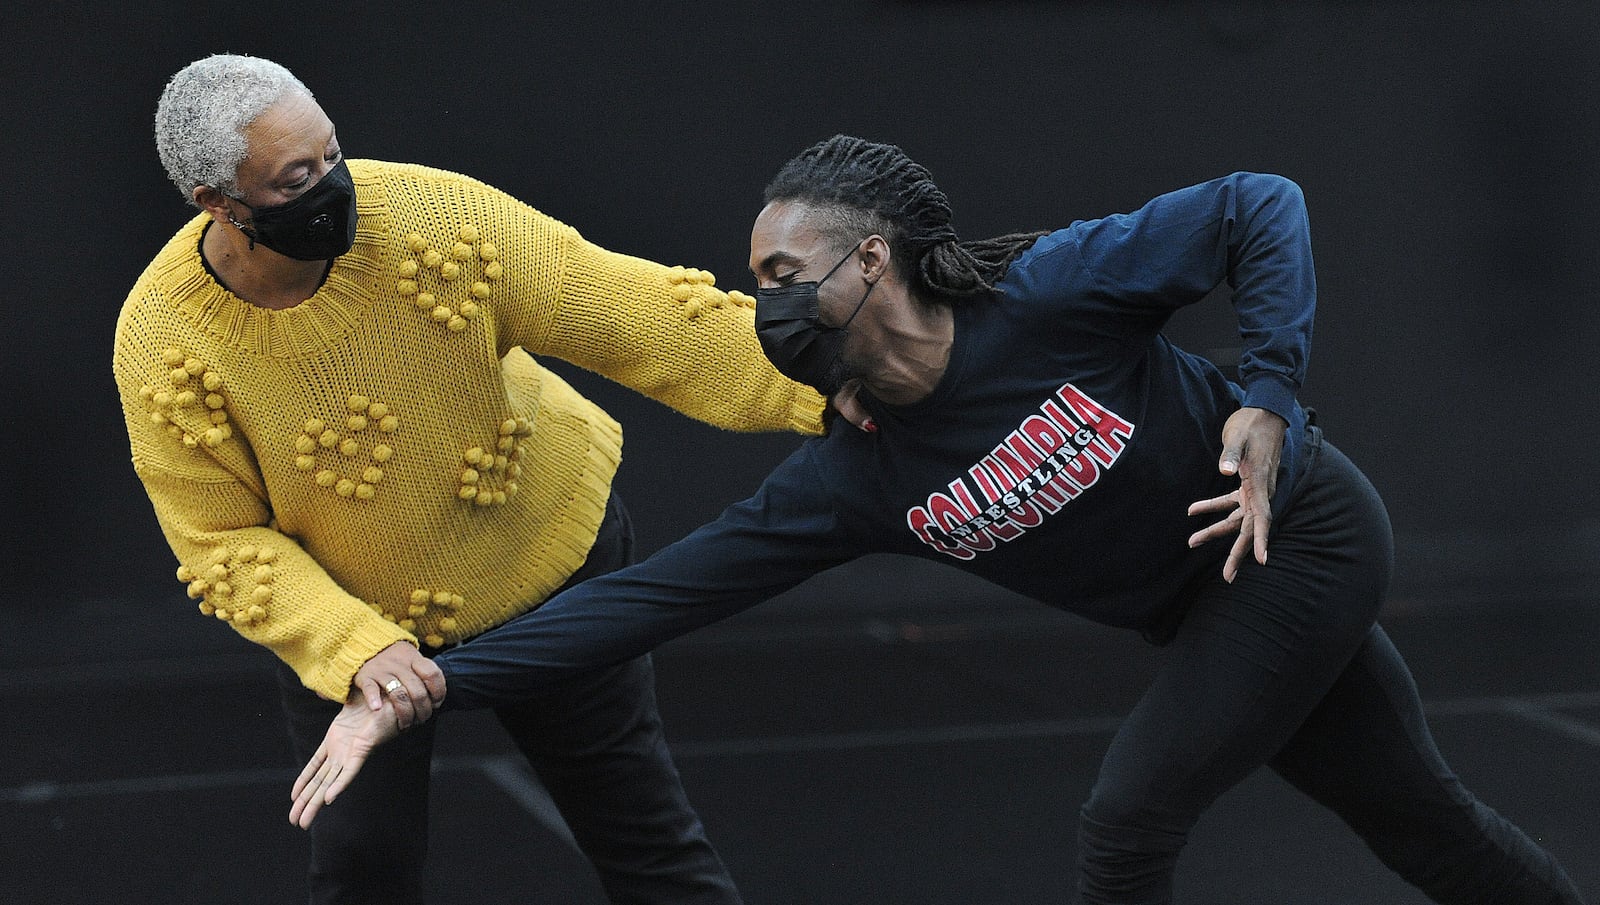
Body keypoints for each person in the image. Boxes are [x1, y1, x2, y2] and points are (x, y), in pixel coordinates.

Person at [290, 135, 1589, 905]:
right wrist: (413, 691)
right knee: (1423, 816)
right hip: (1201, 608)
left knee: (1125, 819)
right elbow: (647, 598)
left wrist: (1268, 394)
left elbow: (1261, 205)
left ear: (871, 261)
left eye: (785, 277)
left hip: (1301, 535)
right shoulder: (858, 474)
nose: (767, 308)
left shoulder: (1049, 295)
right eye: (755, 288)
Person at [113, 54, 838, 905]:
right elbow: (219, 539)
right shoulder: (164, 340)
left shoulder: (433, 218)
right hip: (358, 624)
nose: (333, 184)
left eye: (334, 153)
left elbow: (633, 315)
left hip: (551, 560)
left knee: (645, 840)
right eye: (296, 177)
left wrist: (838, 379)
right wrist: (355, 647)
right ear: (219, 205)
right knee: (361, 870)